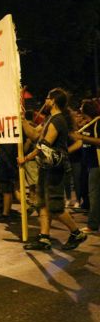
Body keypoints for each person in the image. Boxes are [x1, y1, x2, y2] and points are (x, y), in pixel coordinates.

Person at [19, 88, 87, 250]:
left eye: (48, 98)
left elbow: (43, 145)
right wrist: (22, 120)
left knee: (55, 207)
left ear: (53, 101)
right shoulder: (51, 118)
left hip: (55, 169)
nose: (45, 101)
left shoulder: (57, 121)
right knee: (42, 203)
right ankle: (44, 238)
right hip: (46, 167)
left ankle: (77, 233)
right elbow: (35, 136)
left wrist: (26, 158)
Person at [70, 99, 100, 234]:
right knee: (93, 194)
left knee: (94, 196)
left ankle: (92, 225)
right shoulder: (88, 124)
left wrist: (83, 138)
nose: (80, 110)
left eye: (82, 108)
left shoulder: (97, 122)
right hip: (89, 164)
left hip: (97, 164)